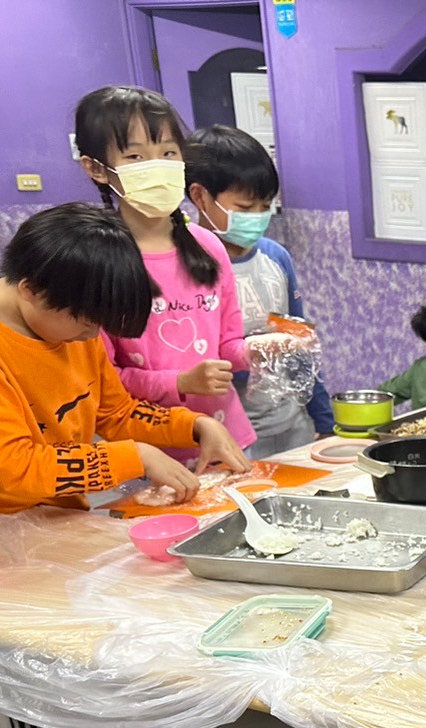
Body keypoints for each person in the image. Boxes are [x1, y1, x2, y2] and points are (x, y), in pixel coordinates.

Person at [0, 202, 250, 728]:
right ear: (32, 290)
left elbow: (113, 412)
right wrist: (134, 458)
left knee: (70, 659)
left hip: (47, 518)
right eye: (85, 322)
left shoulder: (70, 321)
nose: (91, 335)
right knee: (31, 672)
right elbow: (12, 471)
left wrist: (192, 425)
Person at [75, 86, 257, 464]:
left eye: (169, 153)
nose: (156, 165)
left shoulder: (208, 246)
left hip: (228, 439)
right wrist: (181, 382)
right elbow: (104, 379)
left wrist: (259, 352)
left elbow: (227, 346)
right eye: (135, 156)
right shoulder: (97, 264)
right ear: (96, 168)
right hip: (152, 454)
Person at [186, 124, 333, 455]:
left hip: (291, 425)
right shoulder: (186, 267)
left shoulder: (276, 257)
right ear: (200, 196)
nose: (257, 217)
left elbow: (299, 341)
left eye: (265, 206)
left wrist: (324, 419)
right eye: (244, 207)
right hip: (224, 437)